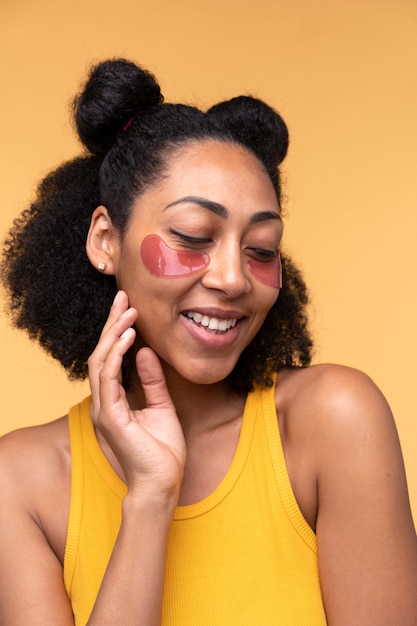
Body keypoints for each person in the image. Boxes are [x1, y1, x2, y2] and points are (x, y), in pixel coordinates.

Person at [0, 58, 416, 626]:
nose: (234, 278)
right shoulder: (18, 484)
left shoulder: (332, 422)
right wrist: (149, 500)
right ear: (105, 241)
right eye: (194, 236)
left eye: (262, 248)